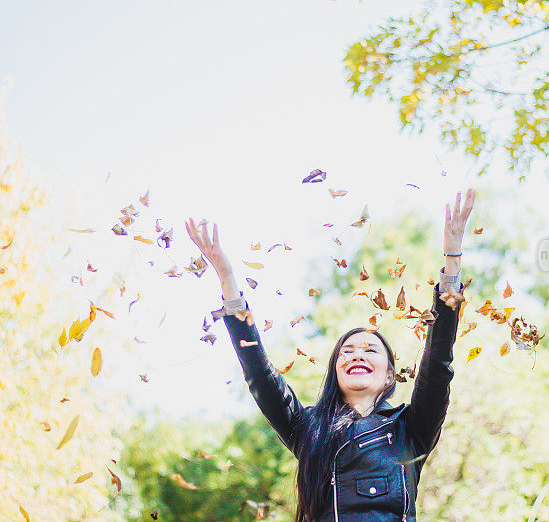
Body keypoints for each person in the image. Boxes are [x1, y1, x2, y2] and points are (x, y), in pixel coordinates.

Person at [185, 188, 476, 521]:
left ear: (390, 375)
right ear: (335, 371)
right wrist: (227, 278)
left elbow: (438, 361)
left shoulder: (411, 429)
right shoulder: (309, 429)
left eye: (370, 350)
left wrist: (452, 260)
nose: (355, 355)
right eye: (346, 352)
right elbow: (261, 377)